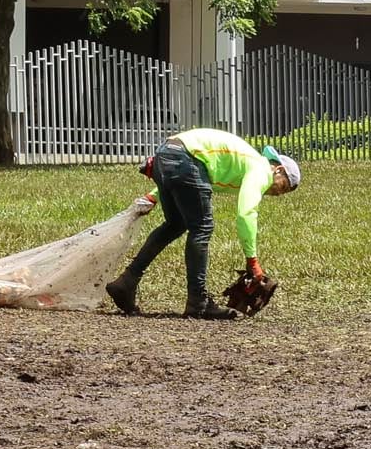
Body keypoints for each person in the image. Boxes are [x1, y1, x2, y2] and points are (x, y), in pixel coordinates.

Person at [108, 127, 298, 318]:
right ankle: (198, 302)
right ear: (278, 169)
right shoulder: (261, 169)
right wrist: (252, 260)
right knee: (202, 228)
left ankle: (126, 282)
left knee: (175, 224)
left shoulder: (243, 164)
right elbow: (246, 213)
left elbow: (194, 181)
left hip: (167, 152)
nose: (279, 193)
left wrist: (153, 196)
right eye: (284, 186)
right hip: (186, 158)